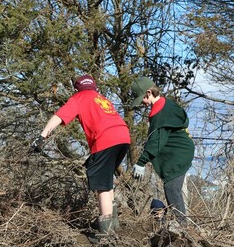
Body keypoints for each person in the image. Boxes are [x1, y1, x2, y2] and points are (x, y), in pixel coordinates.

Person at [32, 75, 131, 235]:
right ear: (94, 87)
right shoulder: (102, 98)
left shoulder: (78, 98)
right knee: (106, 178)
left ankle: (107, 234)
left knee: (101, 184)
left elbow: (59, 116)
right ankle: (115, 226)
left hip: (106, 138)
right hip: (123, 135)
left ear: (77, 89)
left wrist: (42, 137)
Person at [130, 76, 195, 227]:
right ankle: (180, 223)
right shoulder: (167, 104)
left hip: (178, 154)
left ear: (148, 93)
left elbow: (156, 142)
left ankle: (182, 226)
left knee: (171, 188)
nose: (142, 104)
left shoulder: (160, 113)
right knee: (172, 188)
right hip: (182, 151)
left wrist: (141, 162)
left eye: (142, 99)